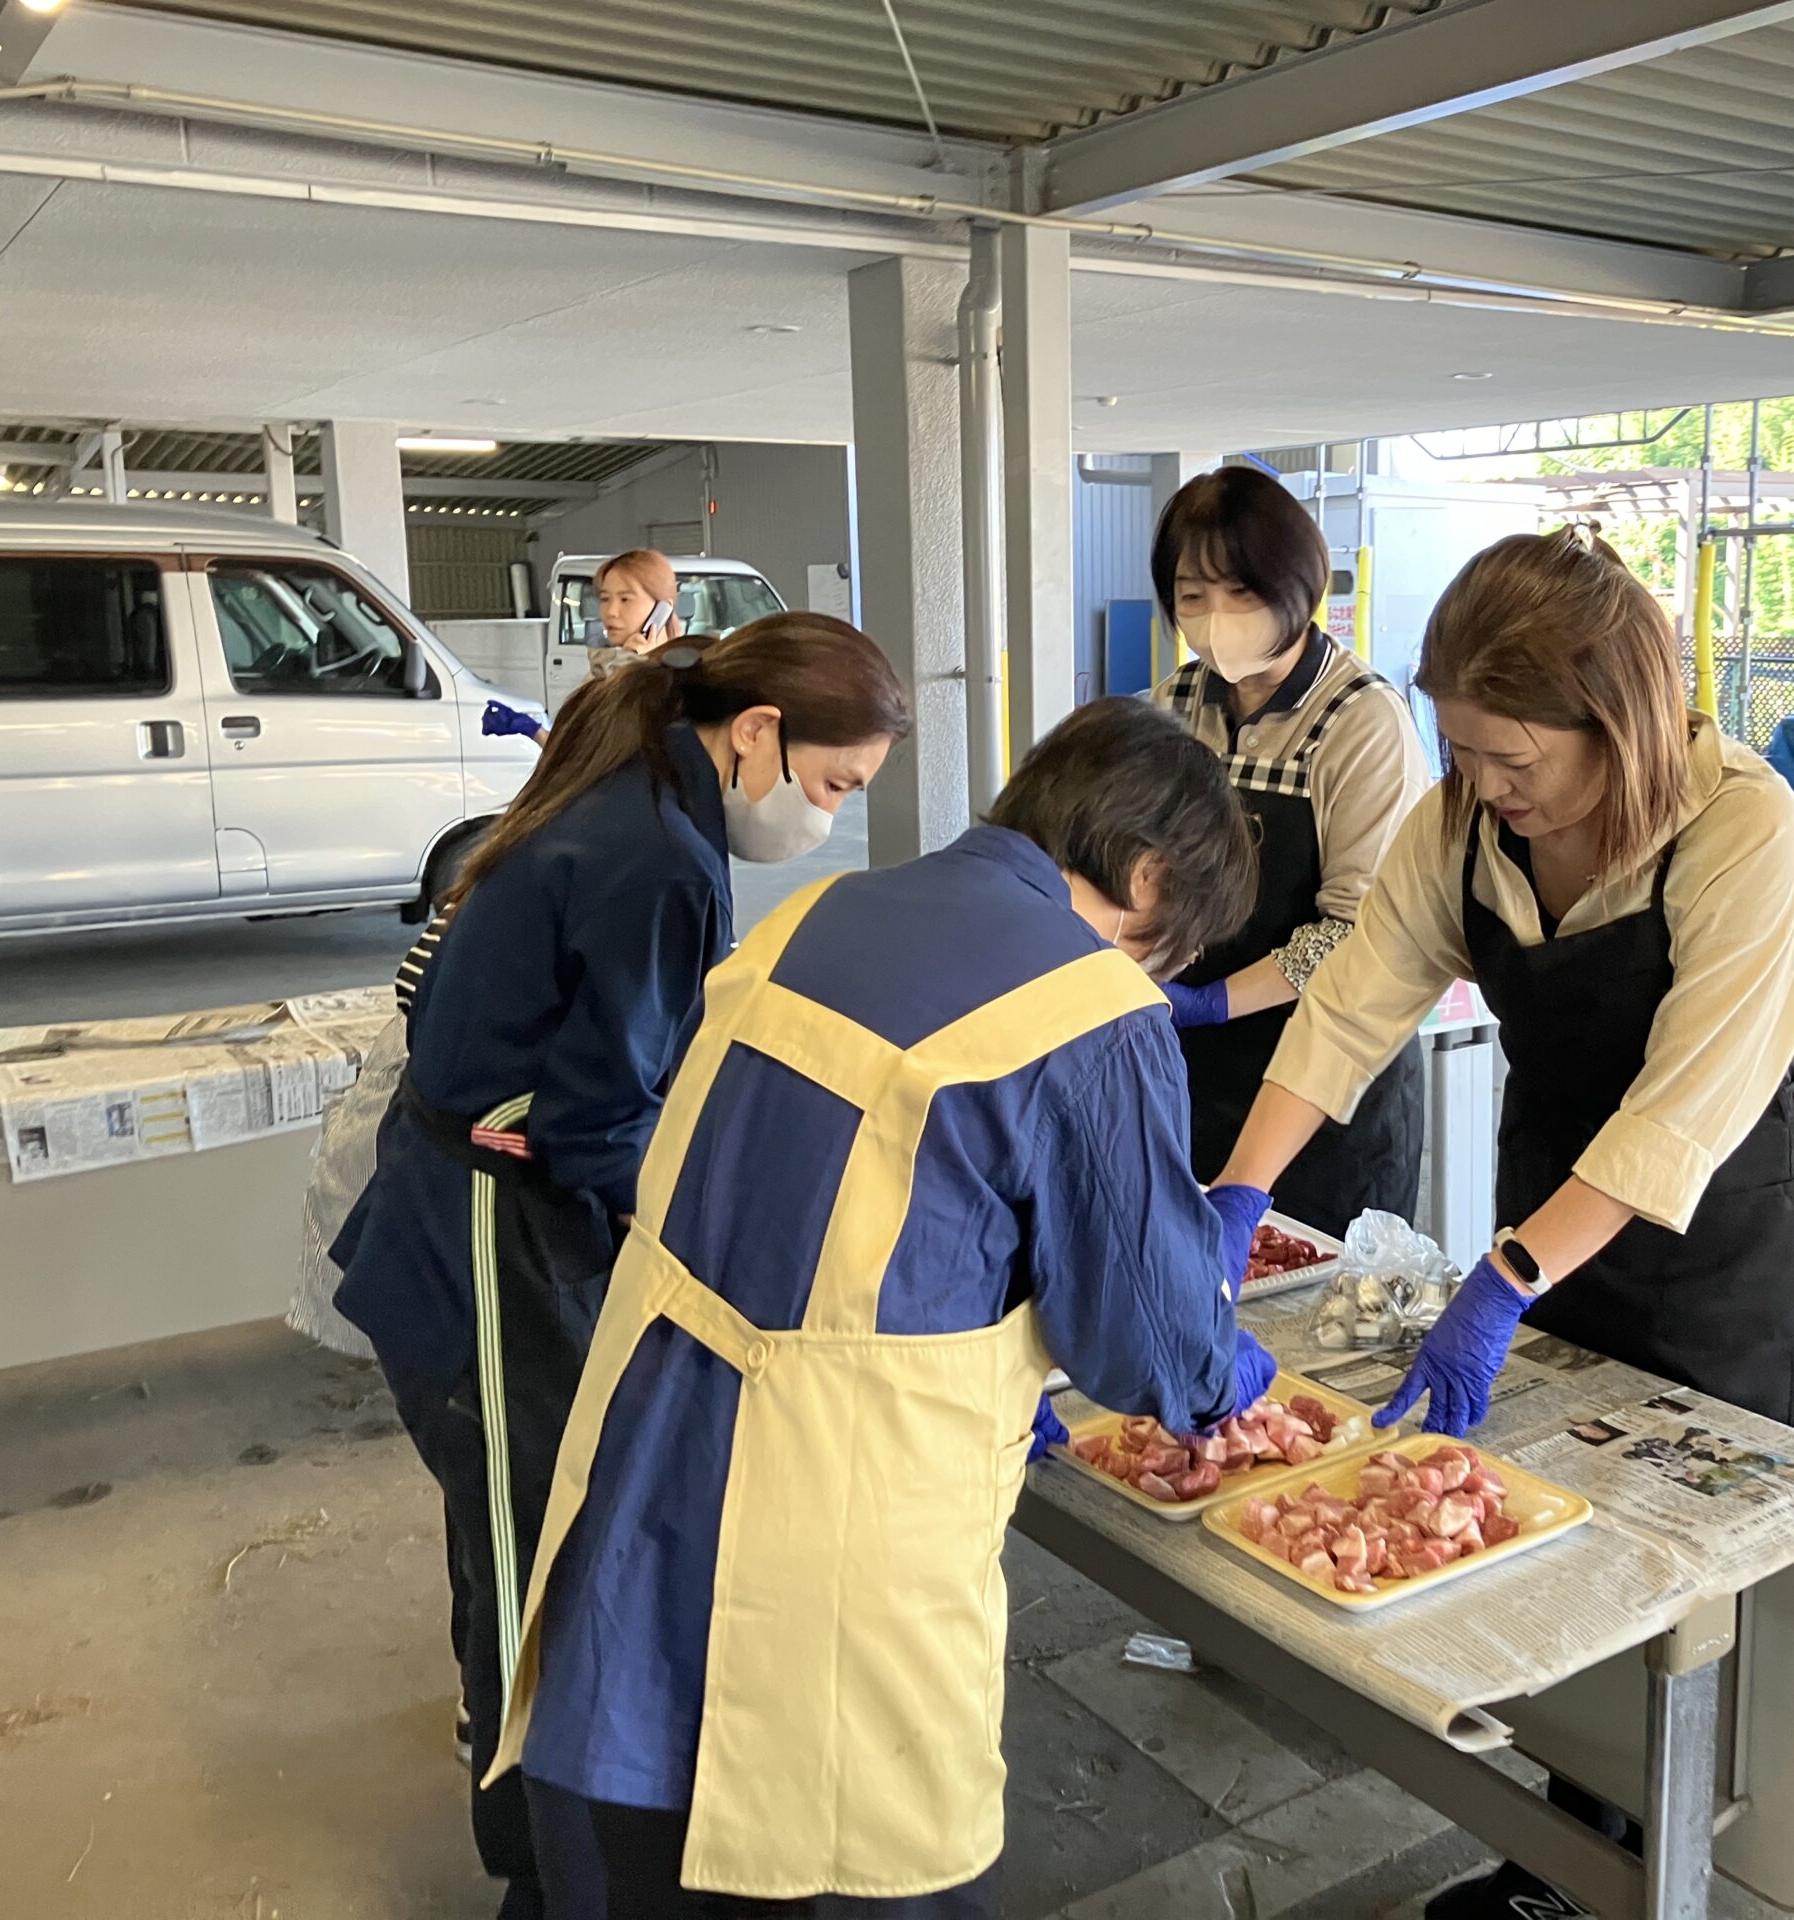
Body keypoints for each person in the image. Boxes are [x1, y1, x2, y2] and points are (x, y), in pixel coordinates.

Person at [484, 698, 1284, 1919]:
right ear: (1145, 873)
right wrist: (1226, 1370)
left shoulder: (820, 910)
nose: (1153, 980)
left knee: (636, 1815)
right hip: (833, 1498)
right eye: (1165, 949)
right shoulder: (1092, 1012)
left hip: (649, 1427)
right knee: (836, 1855)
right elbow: (1146, 1347)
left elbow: (849, 1201)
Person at [1216, 528, 1794, 1920]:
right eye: (1469, 754)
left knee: (1697, 1560)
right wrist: (1242, 1190)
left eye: (1519, 762)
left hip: (1719, 1218)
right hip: (1555, 1183)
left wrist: (1504, 1279)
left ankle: (1694, 1855)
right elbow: (1351, 1007)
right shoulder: (1463, 824)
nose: (1487, 790)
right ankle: (1566, 1851)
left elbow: (1682, 1110)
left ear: (1615, 731)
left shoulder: (1740, 828)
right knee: (1554, 1523)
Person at [332, 614, 910, 1920]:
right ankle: (541, 1869)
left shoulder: (634, 790)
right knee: (529, 1555)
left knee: (546, 1536)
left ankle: (563, 1822)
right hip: (483, 1240)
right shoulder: (654, 849)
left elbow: (573, 1060)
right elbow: (599, 1123)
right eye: (835, 787)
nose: (827, 815)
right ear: (758, 734)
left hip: (502, 1196)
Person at [1147, 466, 1431, 1235]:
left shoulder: (1360, 722)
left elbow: (1360, 931)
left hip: (1328, 1086)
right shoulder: (1171, 706)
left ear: (1298, 588)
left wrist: (1211, 1001)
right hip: (1198, 1076)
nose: (1215, 618)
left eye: (1240, 592)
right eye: (1192, 595)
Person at [484, 548, 686, 744]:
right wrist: (534, 731)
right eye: (605, 598)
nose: (611, 611)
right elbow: (582, 756)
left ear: (663, 609)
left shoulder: (673, 679)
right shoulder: (608, 667)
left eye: (625, 599)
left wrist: (633, 664)